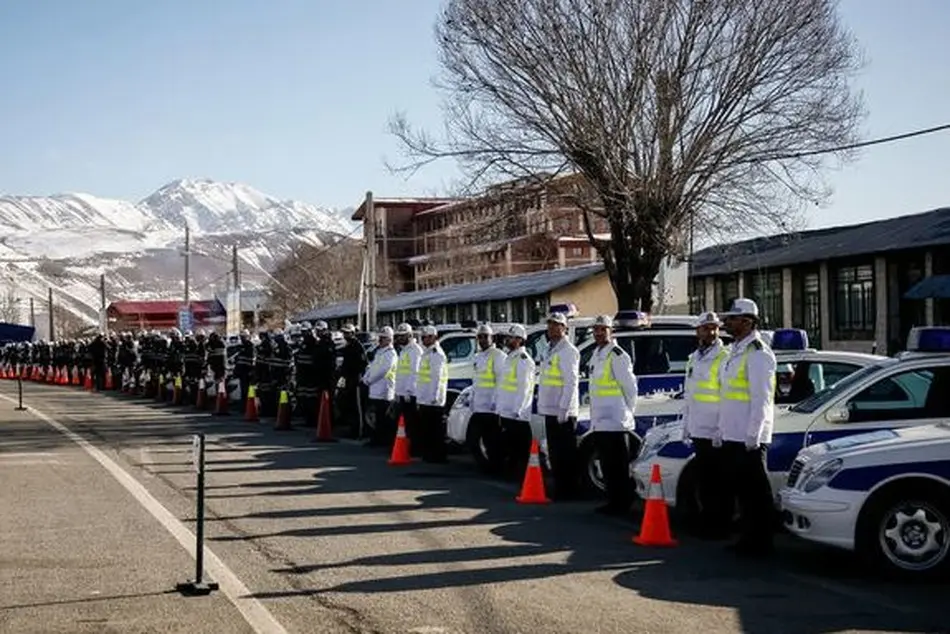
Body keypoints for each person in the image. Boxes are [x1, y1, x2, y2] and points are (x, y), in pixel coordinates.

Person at [718, 298, 778, 558]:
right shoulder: (736, 350)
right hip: (733, 433)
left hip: (748, 437)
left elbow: (761, 399)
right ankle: (747, 538)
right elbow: (728, 395)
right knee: (742, 492)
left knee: (756, 493)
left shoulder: (758, 354)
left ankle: (761, 542)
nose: (727, 322)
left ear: (747, 321)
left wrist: (754, 434)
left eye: (732, 318)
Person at [681, 311, 731, 539]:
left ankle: (719, 525)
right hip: (699, 428)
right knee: (705, 480)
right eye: (706, 328)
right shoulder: (694, 358)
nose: (710, 332)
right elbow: (690, 395)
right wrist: (686, 426)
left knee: (719, 482)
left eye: (714, 328)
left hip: (715, 429)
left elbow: (726, 396)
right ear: (698, 331)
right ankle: (708, 521)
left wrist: (722, 428)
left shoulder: (724, 356)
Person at [586, 315, 638, 516]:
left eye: (603, 330)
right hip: (601, 420)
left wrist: (627, 414)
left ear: (611, 331)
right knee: (607, 465)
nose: (599, 333)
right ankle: (612, 501)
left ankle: (623, 503)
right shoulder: (596, 354)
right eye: (596, 330)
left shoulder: (617, 355)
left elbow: (630, 388)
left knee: (618, 467)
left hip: (616, 421)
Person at [536, 312, 581, 500]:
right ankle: (560, 488)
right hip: (550, 409)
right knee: (555, 453)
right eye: (550, 325)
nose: (552, 328)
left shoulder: (568, 351)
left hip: (562, 411)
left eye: (556, 325)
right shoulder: (550, 349)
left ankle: (568, 490)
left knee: (565, 454)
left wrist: (564, 408)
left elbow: (571, 382)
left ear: (564, 328)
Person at [495, 324, 536, 479]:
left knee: (520, 448)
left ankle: (523, 476)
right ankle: (511, 473)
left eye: (511, 337)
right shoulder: (510, 358)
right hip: (507, 411)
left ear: (520, 340)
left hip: (517, 414)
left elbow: (524, 388)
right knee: (510, 447)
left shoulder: (524, 360)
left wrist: (518, 410)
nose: (508, 340)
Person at [469, 323, 507, 474]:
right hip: (479, 406)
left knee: (493, 442)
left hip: (492, 408)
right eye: (480, 337)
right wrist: (472, 400)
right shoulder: (478, 357)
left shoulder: (498, 356)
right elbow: (476, 380)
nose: (483, 339)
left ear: (492, 338)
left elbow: (500, 381)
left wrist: (496, 403)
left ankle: (495, 467)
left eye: (486, 336)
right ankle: (486, 466)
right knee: (473, 440)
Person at [414, 325, 448, 463]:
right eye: (423, 337)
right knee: (427, 429)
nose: (424, 340)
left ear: (434, 337)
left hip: (433, 399)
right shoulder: (426, 353)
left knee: (436, 430)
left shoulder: (436, 354)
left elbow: (437, 378)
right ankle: (429, 453)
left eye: (427, 337)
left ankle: (438, 455)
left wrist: (434, 396)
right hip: (424, 397)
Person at [362, 326, 398, 447]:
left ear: (389, 340)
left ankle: (384, 440)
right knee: (377, 416)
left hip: (384, 390)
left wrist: (370, 380)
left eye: (383, 338)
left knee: (384, 417)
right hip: (375, 389)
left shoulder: (391, 354)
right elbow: (372, 367)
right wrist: (366, 378)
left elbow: (383, 371)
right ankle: (376, 438)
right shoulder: (379, 352)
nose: (380, 341)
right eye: (380, 338)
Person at [393, 323, 423, 456]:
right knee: (406, 423)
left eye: (402, 336)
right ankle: (408, 446)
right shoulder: (404, 351)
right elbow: (401, 373)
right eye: (398, 336)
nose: (399, 339)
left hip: (411, 394)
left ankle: (415, 448)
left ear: (410, 336)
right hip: (402, 392)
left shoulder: (415, 351)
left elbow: (414, 373)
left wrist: (409, 391)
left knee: (413, 423)